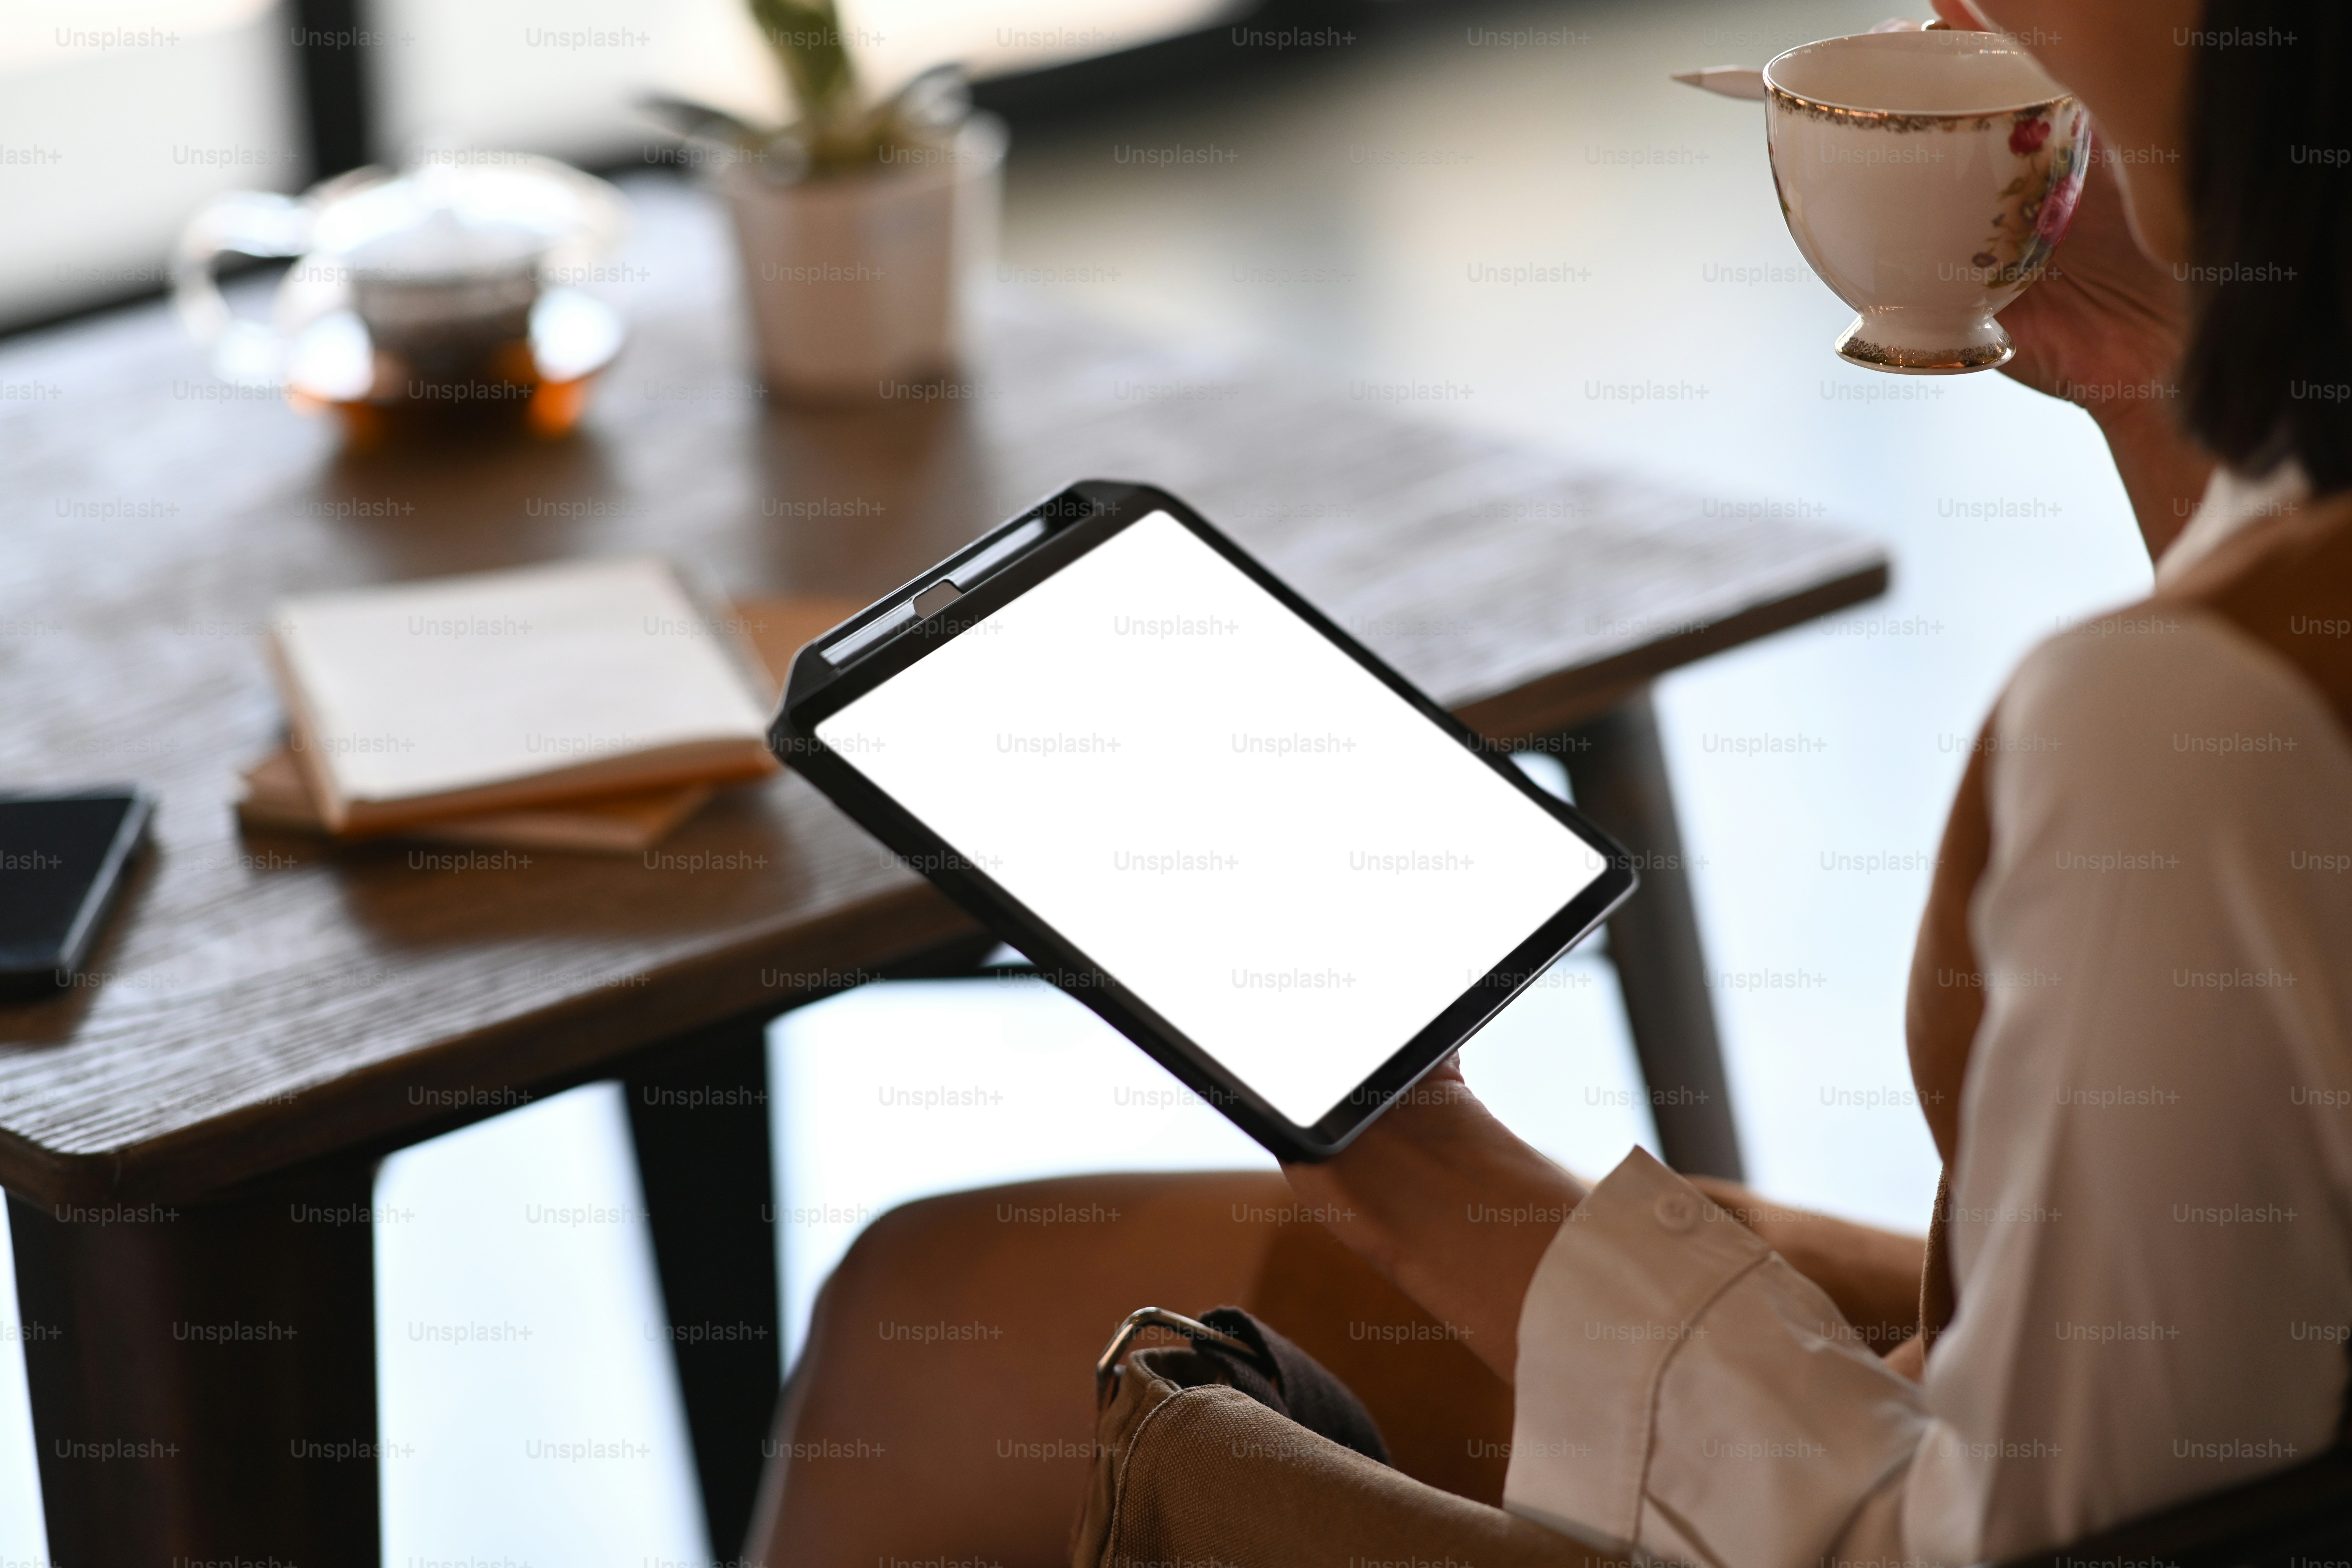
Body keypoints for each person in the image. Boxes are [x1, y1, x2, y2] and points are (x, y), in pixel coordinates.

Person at [749, 0, 2352, 1561]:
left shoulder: (2178, 730)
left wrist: (1411, 1151)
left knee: (949, 1365)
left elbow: (1961, 1543)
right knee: (925, 1310)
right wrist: (2156, 357)